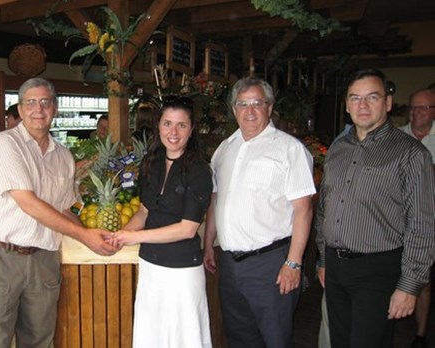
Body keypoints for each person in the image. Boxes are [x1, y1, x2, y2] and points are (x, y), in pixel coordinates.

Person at [0, 77, 118, 348]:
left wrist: (93, 227)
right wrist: (84, 236)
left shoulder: (63, 156)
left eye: (44, 102)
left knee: (39, 341)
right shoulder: (5, 144)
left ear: (55, 108)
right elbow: (28, 203)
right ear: (20, 108)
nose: (37, 109)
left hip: (44, 260)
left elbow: (66, 207)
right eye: (30, 102)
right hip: (2, 258)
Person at [315, 69, 435, 348]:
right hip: (335, 266)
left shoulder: (411, 153)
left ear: (388, 103)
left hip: (378, 269)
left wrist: (409, 285)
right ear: (346, 105)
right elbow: (324, 209)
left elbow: (423, 224)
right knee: (340, 342)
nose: (363, 105)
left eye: (372, 97)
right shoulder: (337, 149)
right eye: (355, 98)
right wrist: (323, 258)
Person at [203, 77, 316, 348]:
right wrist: (208, 243)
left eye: (257, 103)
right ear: (234, 110)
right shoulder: (224, 149)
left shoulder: (290, 149)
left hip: (271, 265)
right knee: (240, 339)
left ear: (269, 107)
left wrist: (293, 263)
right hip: (230, 266)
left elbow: (304, 210)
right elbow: (215, 200)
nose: (250, 111)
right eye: (243, 104)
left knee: (275, 339)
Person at [112, 96, 213, 348]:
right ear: (158, 126)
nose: (173, 132)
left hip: (182, 271)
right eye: (168, 123)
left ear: (191, 130)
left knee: (184, 337)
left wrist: (134, 237)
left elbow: (188, 229)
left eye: (181, 125)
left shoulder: (199, 170)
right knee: (152, 336)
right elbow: (144, 212)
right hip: (151, 267)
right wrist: (120, 234)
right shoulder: (151, 163)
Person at [399, 87, 435, 348]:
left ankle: (420, 334)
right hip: (397, 220)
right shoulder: (396, 137)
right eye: (413, 107)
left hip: (429, 220)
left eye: (423, 107)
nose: (416, 113)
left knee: (423, 276)